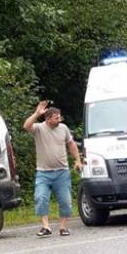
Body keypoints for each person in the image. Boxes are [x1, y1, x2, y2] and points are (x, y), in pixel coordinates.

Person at [23, 101, 83, 236]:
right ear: (48, 118)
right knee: (41, 198)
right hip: (43, 173)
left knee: (65, 201)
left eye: (60, 117)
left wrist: (77, 160)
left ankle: (63, 227)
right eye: (56, 118)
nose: (59, 120)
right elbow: (26, 125)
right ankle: (46, 227)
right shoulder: (39, 128)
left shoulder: (64, 128)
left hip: (62, 172)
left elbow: (71, 144)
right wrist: (36, 114)